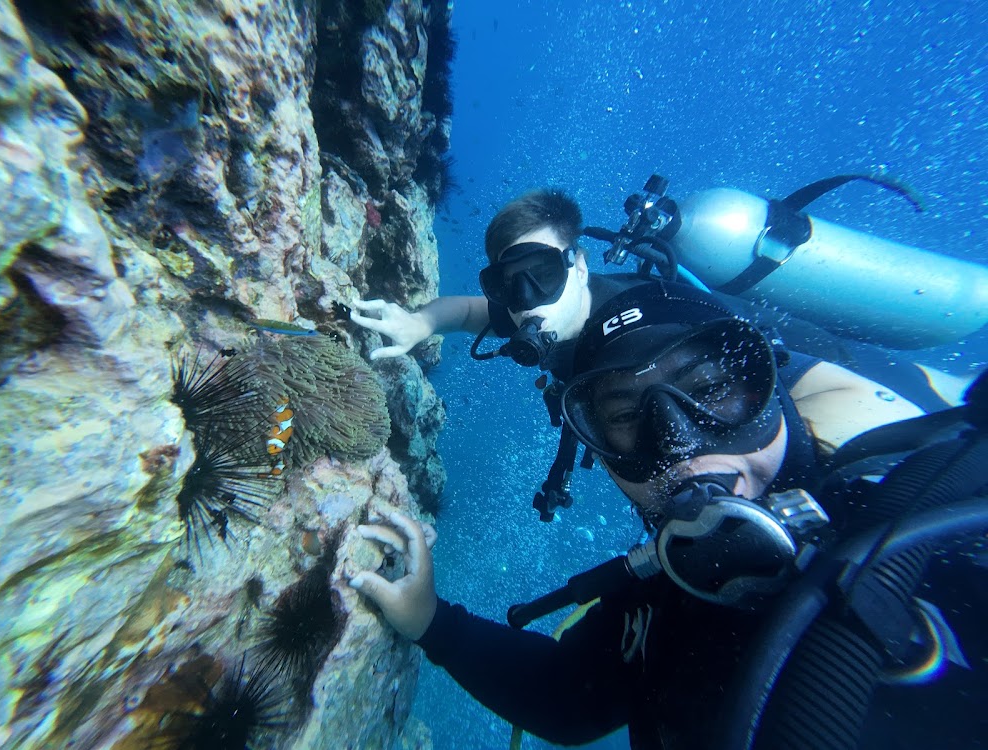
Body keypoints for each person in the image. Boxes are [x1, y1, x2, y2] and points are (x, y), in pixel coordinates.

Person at [347, 282, 988, 749]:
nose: (678, 445)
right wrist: (433, 621)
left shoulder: (937, 515)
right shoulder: (663, 594)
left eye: (709, 390)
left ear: (769, 391)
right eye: (626, 417)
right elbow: (567, 701)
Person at [351, 188, 654, 381]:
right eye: (507, 283)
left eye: (543, 273)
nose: (527, 300)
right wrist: (419, 323)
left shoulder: (643, 328)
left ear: (581, 268)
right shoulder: (522, 312)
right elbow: (467, 312)